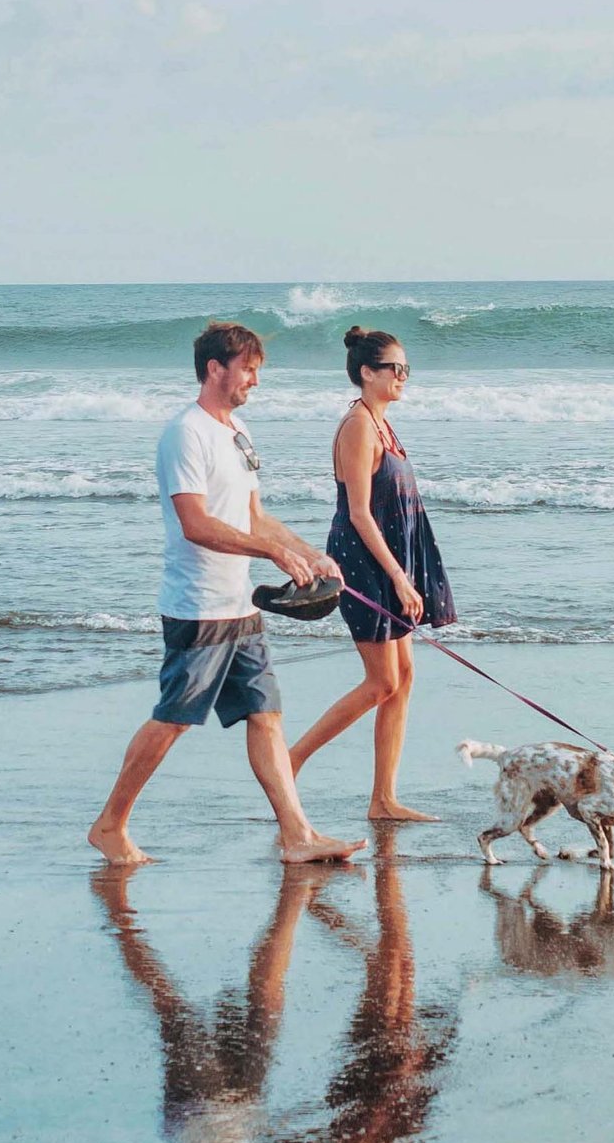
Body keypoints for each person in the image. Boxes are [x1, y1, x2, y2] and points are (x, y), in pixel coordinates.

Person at [87, 321, 367, 867]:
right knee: (173, 719)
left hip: (239, 605)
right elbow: (195, 523)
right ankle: (109, 825)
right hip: (199, 606)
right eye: (248, 369)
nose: (255, 381)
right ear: (216, 369)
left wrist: (307, 552)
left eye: (257, 370)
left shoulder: (236, 433)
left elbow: (255, 516)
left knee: (266, 715)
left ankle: (297, 836)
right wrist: (270, 556)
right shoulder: (185, 434)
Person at [287, 326, 455, 821]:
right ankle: (289, 761)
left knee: (403, 677)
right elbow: (360, 513)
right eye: (394, 369)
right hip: (362, 559)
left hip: (387, 556)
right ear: (366, 372)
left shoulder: (382, 423)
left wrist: (407, 570)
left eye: (407, 369)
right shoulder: (359, 424)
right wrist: (400, 579)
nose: (403, 376)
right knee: (381, 681)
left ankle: (383, 799)